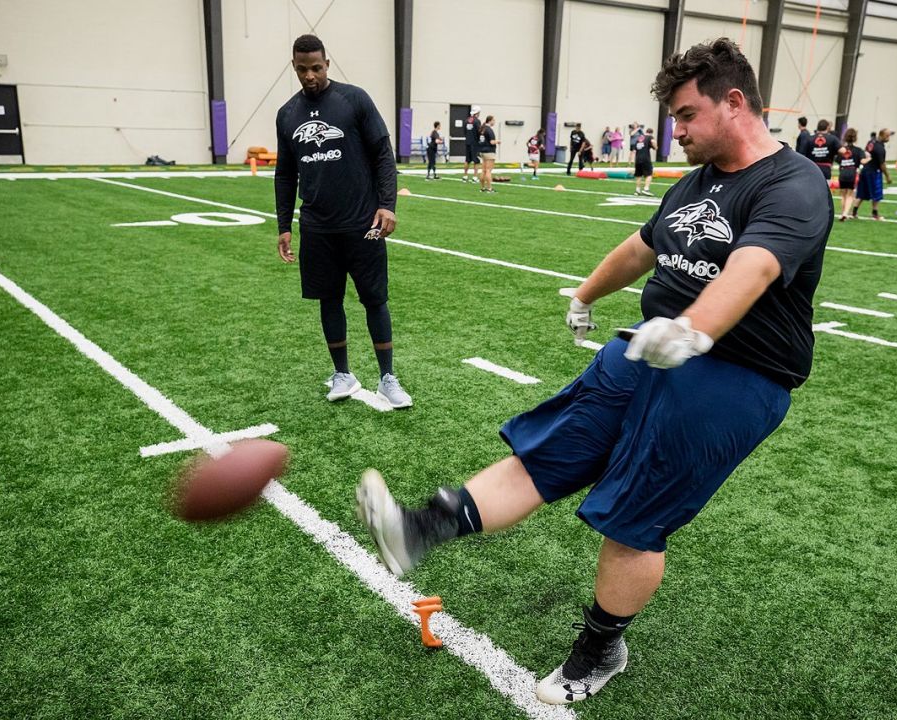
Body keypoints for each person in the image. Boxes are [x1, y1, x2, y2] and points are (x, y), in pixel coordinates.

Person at [356, 37, 831, 705]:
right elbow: (641, 248)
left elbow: (752, 268)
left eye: (688, 115)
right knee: (550, 452)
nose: (679, 132)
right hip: (648, 348)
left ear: (733, 102)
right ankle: (419, 529)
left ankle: (602, 648)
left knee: (632, 517)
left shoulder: (794, 183)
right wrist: (585, 294)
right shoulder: (699, 182)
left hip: (736, 372)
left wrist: (694, 329)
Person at [274, 33, 413, 409]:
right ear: (294, 67)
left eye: (316, 67)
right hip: (318, 228)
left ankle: (388, 377)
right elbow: (285, 174)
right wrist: (284, 225)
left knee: (375, 300)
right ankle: (343, 374)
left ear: (327, 64)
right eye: (302, 69)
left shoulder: (355, 100)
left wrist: (387, 204)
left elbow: (383, 156)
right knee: (329, 300)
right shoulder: (287, 114)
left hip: (363, 224)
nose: (310, 75)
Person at [850, 127, 894, 221]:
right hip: (873, 172)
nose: (888, 138)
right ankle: (875, 214)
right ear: (881, 135)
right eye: (887, 136)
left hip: (865, 170)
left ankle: (854, 212)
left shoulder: (871, 142)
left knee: (861, 193)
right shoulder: (880, 148)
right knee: (876, 193)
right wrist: (887, 176)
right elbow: (882, 164)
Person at [835, 127, 865, 221]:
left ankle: (843, 212)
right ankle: (845, 213)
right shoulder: (858, 150)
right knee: (850, 195)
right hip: (852, 173)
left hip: (842, 173)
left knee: (843, 194)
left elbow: (838, 160)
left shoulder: (842, 150)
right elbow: (862, 161)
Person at [477, 115, 498, 193]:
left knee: (483, 170)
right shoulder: (489, 130)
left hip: (482, 151)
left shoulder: (482, 129)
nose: (494, 122)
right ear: (490, 121)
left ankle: (482, 188)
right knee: (488, 170)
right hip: (489, 151)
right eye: (493, 120)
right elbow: (492, 142)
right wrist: (498, 142)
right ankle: (489, 188)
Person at [632, 127, 655, 196]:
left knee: (639, 175)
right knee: (649, 174)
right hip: (645, 158)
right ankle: (646, 189)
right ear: (651, 132)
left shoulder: (640, 138)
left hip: (638, 158)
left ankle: (637, 190)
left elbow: (634, 149)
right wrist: (655, 147)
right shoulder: (650, 137)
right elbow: (653, 142)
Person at [463, 107, 481, 183]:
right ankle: (475, 177)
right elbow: (479, 132)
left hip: (467, 142)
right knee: (476, 160)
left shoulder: (466, 120)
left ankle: (465, 176)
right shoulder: (477, 121)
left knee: (467, 160)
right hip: (475, 143)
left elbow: (464, 132)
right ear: (477, 113)